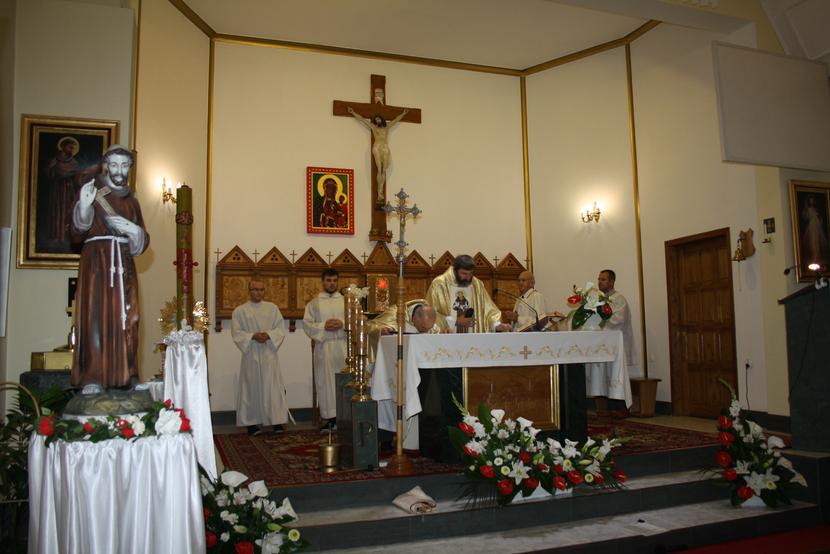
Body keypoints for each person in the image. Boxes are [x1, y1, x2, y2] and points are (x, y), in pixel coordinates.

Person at [70, 144, 149, 393]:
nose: (119, 170)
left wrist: (133, 230)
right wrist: (84, 207)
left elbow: (142, 242)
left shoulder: (132, 202)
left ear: (130, 168)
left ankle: (129, 374)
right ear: (106, 165)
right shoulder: (94, 194)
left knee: (130, 318)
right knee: (95, 318)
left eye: (124, 165)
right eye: (114, 164)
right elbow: (75, 234)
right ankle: (93, 377)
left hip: (124, 263)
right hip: (97, 263)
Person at [231, 279, 290, 436]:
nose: (258, 293)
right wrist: (252, 336)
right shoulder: (240, 311)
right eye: (255, 289)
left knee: (273, 387)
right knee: (251, 388)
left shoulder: (272, 308)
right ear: (249, 291)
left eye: (261, 289)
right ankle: (251, 423)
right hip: (251, 353)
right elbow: (236, 332)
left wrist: (269, 335)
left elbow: (280, 329)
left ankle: (276, 421)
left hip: (268, 352)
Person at [586, 269, 637, 414]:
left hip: (616, 345)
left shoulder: (619, 299)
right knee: (602, 375)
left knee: (615, 375)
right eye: (599, 279)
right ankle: (604, 408)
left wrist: (601, 315)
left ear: (612, 281)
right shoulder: (599, 300)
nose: (599, 282)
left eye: (603, 279)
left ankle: (621, 408)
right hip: (603, 345)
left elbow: (617, 320)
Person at [303, 268, 347, 432]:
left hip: (342, 347)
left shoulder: (346, 301)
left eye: (335, 280)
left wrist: (342, 324)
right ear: (323, 282)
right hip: (324, 347)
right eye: (328, 280)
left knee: (344, 381)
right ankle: (330, 419)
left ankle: (344, 418)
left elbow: (355, 321)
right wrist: (323, 326)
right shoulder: (314, 303)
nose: (332, 283)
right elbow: (307, 324)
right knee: (325, 383)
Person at [425, 254, 511, 333]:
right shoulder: (439, 284)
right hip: (448, 338)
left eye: (471, 273)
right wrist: (455, 321)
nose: (468, 278)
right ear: (455, 270)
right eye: (464, 273)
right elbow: (430, 314)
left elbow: (489, 311)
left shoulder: (476, 284)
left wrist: (496, 325)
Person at [347, 106, 409, 200]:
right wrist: (353, 112)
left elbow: (396, 120)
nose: (378, 120)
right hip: (377, 146)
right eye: (376, 120)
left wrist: (403, 113)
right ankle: (379, 192)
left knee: (384, 169)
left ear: (381, 119)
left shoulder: (387, 127)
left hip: (385, 147)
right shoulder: (373, 127)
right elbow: (362, 120)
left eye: (379, 119)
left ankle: (381, 189)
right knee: (379, 169)